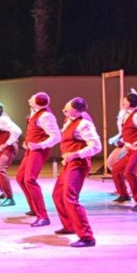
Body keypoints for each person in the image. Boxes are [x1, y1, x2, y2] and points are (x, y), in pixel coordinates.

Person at [51, 98, 102, 247]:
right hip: (70, 162)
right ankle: (70, 225)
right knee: (58, 195)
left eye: (67, 110)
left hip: (78, 163)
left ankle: (87, 237)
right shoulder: (69, 121)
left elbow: (96, 146)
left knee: (70, 198)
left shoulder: (84, 124)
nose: (63, 111)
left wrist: (75, 154)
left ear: (76, 112)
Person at [15, 92, 60, 227]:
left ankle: (43, 216)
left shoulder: (46, 116)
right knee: (20, 178)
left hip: (39, 151)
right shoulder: (34, 111)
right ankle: (34, 208)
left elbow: (56, 136)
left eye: (32, 99)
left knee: (30, 179)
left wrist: (39, 145)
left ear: (38, 103)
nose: (29, 100)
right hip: (31, 149)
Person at [110, 90, 137, 212]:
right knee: (116, 170)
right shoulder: (125, 114)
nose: (123, 102)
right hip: (130, 150)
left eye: (125, 100)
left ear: (131, 102)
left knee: (129, 172)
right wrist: (122, 141)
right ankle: (124, 195)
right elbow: (129, 132)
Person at [0, 101, 21, 207]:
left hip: (10, 148)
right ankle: (4, 192)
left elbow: (17, 131)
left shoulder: (2, 119)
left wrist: (5, 144)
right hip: (5, 148)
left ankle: (10, 198)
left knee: (0, 169)